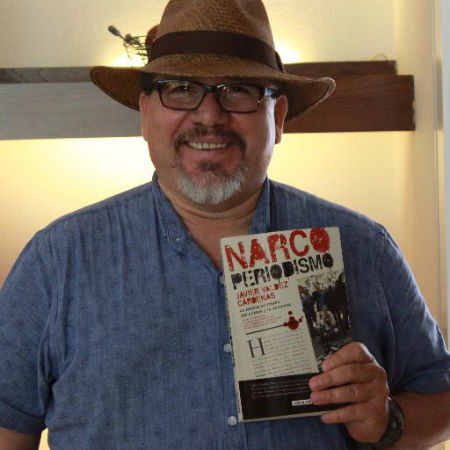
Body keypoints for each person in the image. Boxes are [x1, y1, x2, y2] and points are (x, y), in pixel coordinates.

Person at [0, 0, 449, 449]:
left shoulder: (363, 247)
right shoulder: (57, 260)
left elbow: (441, 397)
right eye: (180, 88)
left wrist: (386, 419)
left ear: (277, 118)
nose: (210, 115)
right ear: (145, 113)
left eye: (239, 90)